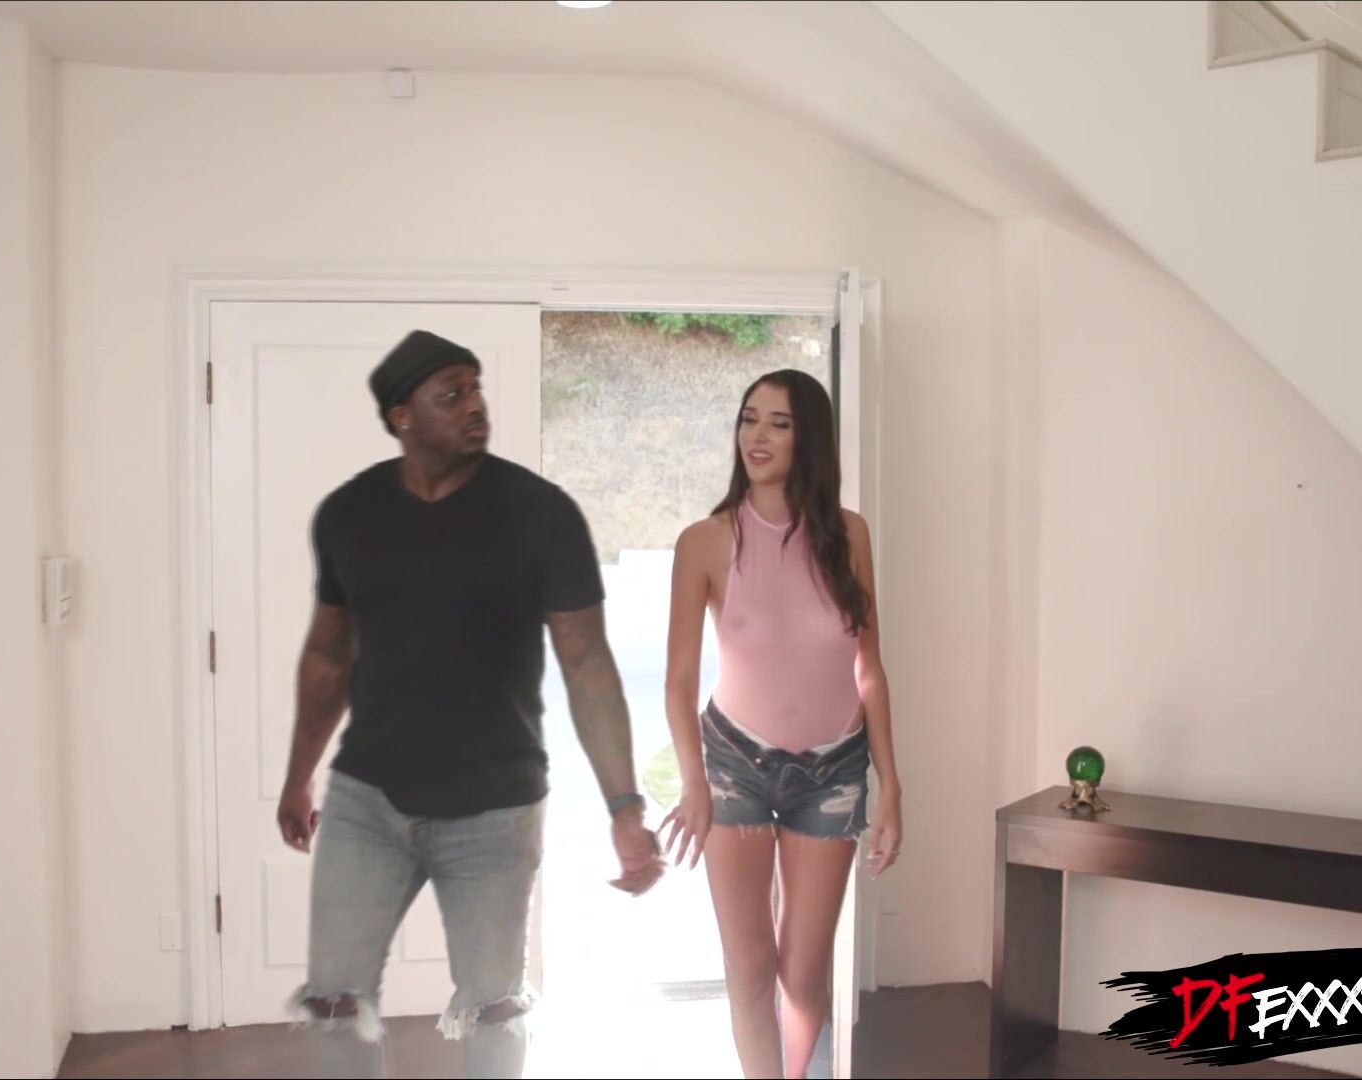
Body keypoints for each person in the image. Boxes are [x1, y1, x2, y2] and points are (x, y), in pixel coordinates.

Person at [277, 329, 664, 1080]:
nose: (474, 405)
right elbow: (328, 655)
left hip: (496, 811)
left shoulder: (540, 514)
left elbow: (587, 664)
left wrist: (624, 806)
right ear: (402, 416)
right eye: (450, 393)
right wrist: (299, 777)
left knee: (494, 1009)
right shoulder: (350, 514)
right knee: (333, 1001)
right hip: (367, 802)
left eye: (476, 387)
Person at [659, 369, 903, 1080]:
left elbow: (869, 668)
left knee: (802, 976)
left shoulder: (849, 535)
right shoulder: (704, 541)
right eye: (749, 418)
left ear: (809, 438)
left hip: (833, 770)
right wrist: (694, 781)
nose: (757, 436)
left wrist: (891, 785)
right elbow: (678, 680)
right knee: (750, 967)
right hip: (734, 764)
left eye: (779, 422)